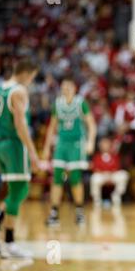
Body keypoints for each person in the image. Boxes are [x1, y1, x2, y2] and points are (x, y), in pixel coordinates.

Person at [0, 59, 40, 258]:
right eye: (32, 77)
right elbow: (20, 125)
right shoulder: (19, 91)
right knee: (21, 189)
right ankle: (5, 236)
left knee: (14, 190)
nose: (31, 81)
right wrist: (32, 152)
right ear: (26, 72)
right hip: (15, 145)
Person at [42, 76, 97, 226]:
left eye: (69, 87)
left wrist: (90, 142)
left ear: (75, 88)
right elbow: (52, 127)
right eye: (63, 87)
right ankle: (54, 213)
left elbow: (91, 124)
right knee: (56, 179)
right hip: (61, 144)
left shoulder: (81, 103)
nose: (66, 89)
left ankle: (79, 212)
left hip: (77, 144)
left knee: (75, 178)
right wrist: (47, 147)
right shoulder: (57, 104)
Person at [90, 136, 129, 207]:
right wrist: (104, 174)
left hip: (112, 175)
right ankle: (97, 199)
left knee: (124, 175)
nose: (105, 146)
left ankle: (116, 195)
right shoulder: (97, 156)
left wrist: (110, 175)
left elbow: (117, 167)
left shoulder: (115, 156)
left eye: (107, 144)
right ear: (100, 146)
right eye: (103, 144)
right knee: (94, 178)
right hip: (101, 176)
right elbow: (94, 169)